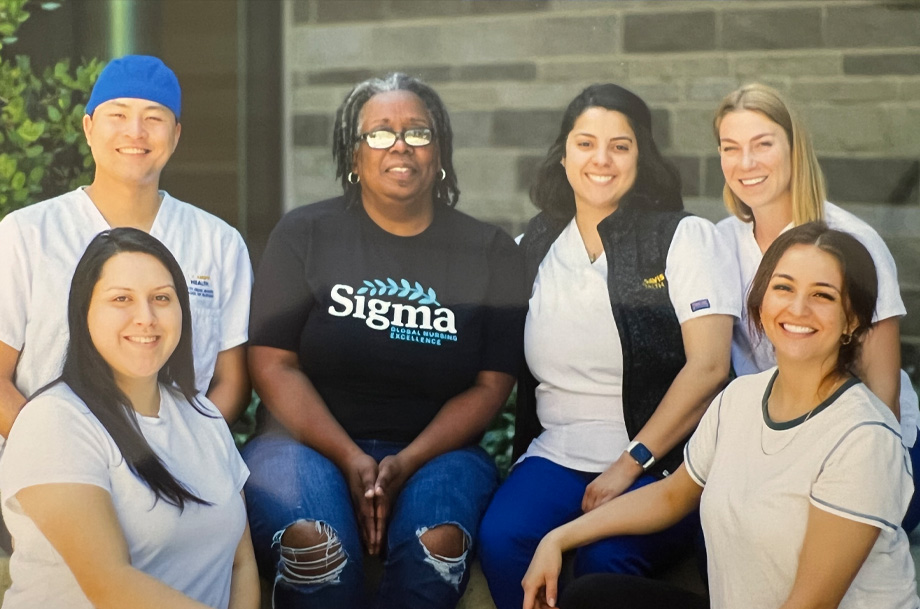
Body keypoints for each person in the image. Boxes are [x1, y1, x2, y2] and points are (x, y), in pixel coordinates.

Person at [523, 223, 919, 609]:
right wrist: (556, 539)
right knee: (593, 596)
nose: (798, 308)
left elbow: (812, 602)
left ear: (852, 319)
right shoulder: (739, 399)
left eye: (823, 295)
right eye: (783, 287)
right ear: (761, 301)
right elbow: (671, 495)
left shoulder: (864, 436)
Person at [242, 73, 525, 609]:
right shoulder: (303, 235)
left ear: (439, 152)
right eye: (379, 133)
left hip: (440, 454)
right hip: (300, 448)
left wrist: (406, 461)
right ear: (353, 156)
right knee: (316, 550)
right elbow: (274, 365)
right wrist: (349, 456)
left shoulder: (488, 251)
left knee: (437, 548)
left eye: (418, 133)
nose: (399, 145)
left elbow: (490, 387)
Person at [477, 83, 739, 609]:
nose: (602, 159)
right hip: (556, 453)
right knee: (503, 539)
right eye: (585, 143)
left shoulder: (684, 238)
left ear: (642, 157)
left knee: (605, 561)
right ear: (564, 155)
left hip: (666, 460)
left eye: (620, 145)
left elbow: (709, 368)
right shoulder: (533, 247)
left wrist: (630, 461)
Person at [0, 228, 258, 609]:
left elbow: (241, 564)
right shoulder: (55, 422)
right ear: (83, 310)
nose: (146, 317)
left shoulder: (203, 417)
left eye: (161, 298)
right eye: (121, 298)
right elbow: (111, 586)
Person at [0, 54, 252, 435]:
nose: (135, 131)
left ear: (176, 135)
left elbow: (231, 380)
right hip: (53, 463)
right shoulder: (27, 234)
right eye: (117, 115)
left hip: (180, 469)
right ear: (88, 128)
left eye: (154, 118)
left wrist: (189, 453)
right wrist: (57, 458)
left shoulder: (218, 242)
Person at [714, 82, 920, 532]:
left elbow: (882, 394)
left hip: (865, 444)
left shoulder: (852, 241)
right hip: (774, 442)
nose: (745, 163)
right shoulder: (719, 243)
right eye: (731, 148)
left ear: (794, 148)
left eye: (762, 144)